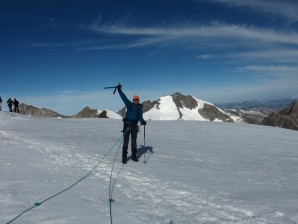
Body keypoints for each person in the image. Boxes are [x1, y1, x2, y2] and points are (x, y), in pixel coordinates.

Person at [117, 85, 147, 164]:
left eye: (137, 100)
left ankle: (134, 156)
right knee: (125, 142)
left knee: (134, 142)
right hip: (127, 125)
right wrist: (119, 90)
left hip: (134, 126)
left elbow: (140, 117)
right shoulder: (129, 104)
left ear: (138, 100)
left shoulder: (139, 108)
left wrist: (142, 121)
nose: (136, 101)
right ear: (133, 100)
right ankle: (124, 157)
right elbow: (124, 97)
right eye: (135, 99)